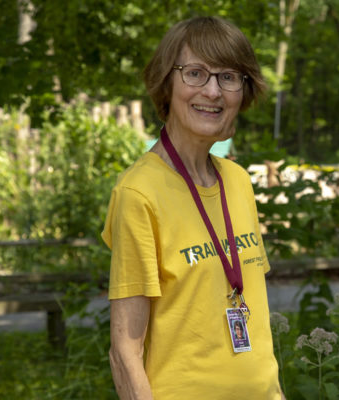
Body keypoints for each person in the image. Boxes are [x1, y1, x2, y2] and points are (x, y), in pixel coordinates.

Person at [101, 16, 283, 400]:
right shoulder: (139, 193)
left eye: (229, 77)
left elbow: (249, 310)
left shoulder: (238, 182)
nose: (213, 92)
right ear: (167, 82)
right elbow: (125, 353)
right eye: (196, 73)